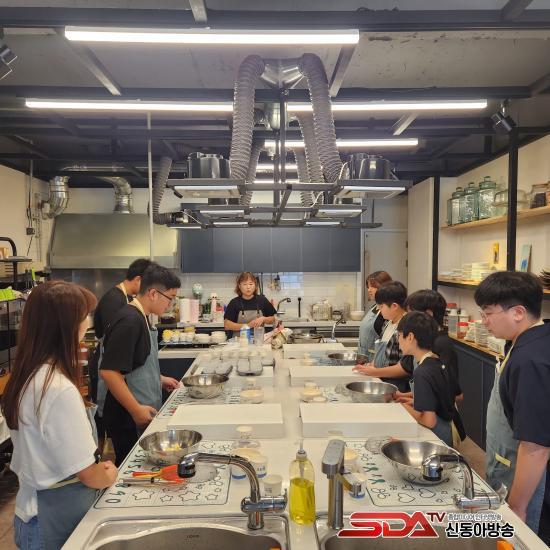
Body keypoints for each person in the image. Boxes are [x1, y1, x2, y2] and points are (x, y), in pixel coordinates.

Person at [1, 281, 118, 550]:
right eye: (83, 315)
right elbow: (89, 474)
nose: (87, 322)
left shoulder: (29, 374)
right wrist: (109, 474)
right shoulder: (57, 388)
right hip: (52, 521)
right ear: (66, 325)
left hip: (31, 514)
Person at [475, 271, 550, 533]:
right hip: (506, 461)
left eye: (488, 313)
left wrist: (517, 507)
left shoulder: (529, 361)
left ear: (518, 313)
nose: (483, 321)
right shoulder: (526, 341)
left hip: (529, 482)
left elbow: (535, 446)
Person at [100, 264, 182, 466]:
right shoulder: (129, 321)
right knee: (133, 468)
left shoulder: (141, 317)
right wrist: (135, 409)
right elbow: (109, 372)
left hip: (139, 409)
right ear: (153, 293)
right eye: (170, 298)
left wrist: (158, 379)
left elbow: (132, 364)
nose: (170, 305)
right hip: (126, 417)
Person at [90, 258, 153, 453]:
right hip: (108, 371)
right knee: (112, 432)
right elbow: (114, 358)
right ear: (139, 279)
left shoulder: (124, 299)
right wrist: (135, 409)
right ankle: (99, 457)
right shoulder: (115, 302)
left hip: (118, 372)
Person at [395, 311, 456, 447]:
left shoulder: (422, 372)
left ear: (410, 337)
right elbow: (437, 397)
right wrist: (414, 401)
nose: (398, 341)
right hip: (448, 430)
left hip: (437, 437)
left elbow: (429, 421)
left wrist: (403, 407)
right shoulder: (435, 360)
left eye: (399, 336)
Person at [353, 281, 411, 392]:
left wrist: (375, 372)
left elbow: (406, 368)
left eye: (381, 306)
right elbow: (381, 354)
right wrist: (370, 366)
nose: (379, 310)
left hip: (397, 387)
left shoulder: (406, 327)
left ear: (394, 306)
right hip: (381, 381)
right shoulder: (387, 323)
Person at [224, 272, 277, 336]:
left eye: (251, 284)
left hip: (259, 339)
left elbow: (274, 318)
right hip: (239, 340)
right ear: (239, 286)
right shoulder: (234, 303)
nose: (248, 287)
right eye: (245, 284)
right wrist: (247, 326)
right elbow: (227, 325)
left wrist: (264, 319)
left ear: (255, 285)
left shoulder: (262, 300)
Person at [357, 271, 392, 362]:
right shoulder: (374, 307)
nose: (369, 290)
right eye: (368, 287)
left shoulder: (387, 312)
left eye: (373, 286)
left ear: (384, 287)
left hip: (374, 361)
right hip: (363, 359)